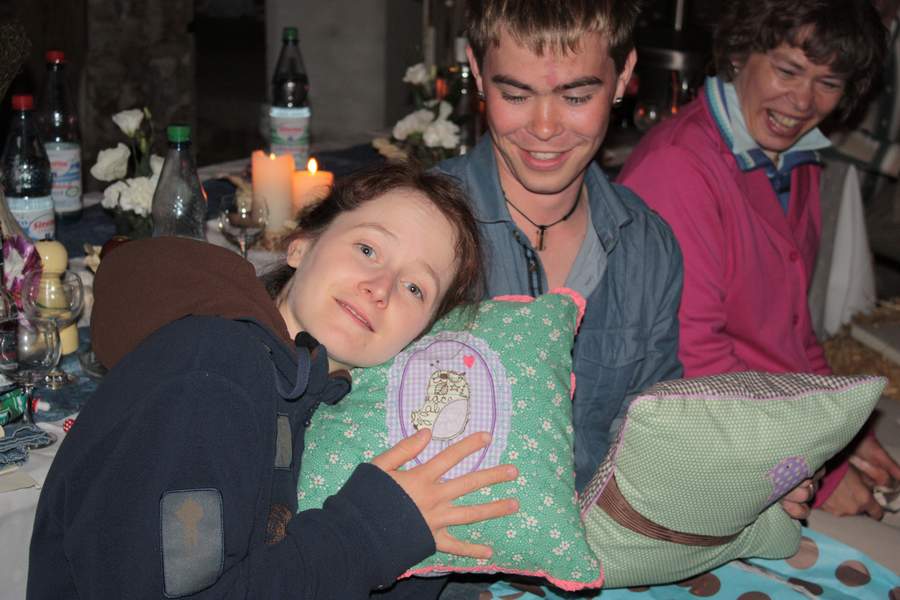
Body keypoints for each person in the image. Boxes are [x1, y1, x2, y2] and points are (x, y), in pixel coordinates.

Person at [26, 163, 520, 599]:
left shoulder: (324, 407)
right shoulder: (212, 370)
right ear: (301, 246)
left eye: (415, 287)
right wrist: (370, 532)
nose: (381, 288)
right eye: (368, 248)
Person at [618, 0, 900, 527]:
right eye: (787, 70)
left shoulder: (796, 159)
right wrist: (817, 470)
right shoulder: (679, 168)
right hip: (694, 449)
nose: (803, 101)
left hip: (764, 429)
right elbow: (692, 364)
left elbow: (794, 332)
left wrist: (841, 431)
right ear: (740, 53)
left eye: (828, 82)